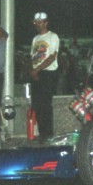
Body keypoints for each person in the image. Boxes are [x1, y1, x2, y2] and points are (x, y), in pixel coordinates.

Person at [29, 12, 59, 143]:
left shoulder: (53, 36)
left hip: (47, 72)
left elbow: (52, 57)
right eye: (36, 22)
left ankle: (48, 133)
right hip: (37, 73)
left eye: (40, 22)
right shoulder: (35, 39)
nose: (37, 24)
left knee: (45, 104)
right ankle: (42, 133)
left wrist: (37, 70)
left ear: (46, 22)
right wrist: (33, 71)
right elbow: (33, 56)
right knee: (37, 104)